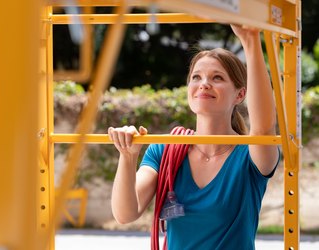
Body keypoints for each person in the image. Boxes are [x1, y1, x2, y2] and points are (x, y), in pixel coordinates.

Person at [107, 25, 280, 250]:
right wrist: (128, 157)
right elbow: (125, 214)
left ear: (240, 94)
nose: (204, 84)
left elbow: (263, 131)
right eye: (196, 77)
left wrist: (251, 41)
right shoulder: (164, 150)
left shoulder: (249, 155)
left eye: (217, 77)